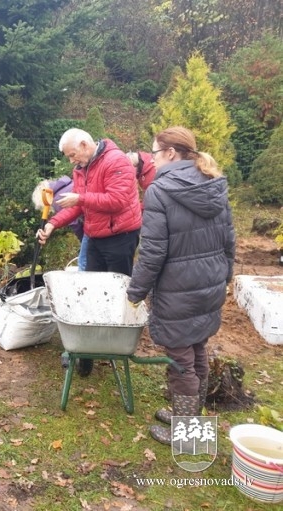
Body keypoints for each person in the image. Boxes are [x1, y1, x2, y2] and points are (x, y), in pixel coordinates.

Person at [126, 126, 235, 445]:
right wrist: (224, 277)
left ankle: (187, 435)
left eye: (154, 153)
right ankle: (189, 418)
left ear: (171, 153)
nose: (152, 160)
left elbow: (153, 251)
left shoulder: (160, 191)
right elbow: (230, 239)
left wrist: (136, 292)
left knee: (180, 361)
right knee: (197, 348)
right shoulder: (215, 182)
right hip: (210, 283)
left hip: (179, 289)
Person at [37, 128, 142, 376]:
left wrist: (80, 199)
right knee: (89, 295)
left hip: (121, 237)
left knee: (118, 294)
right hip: (94, 236)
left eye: (73, 154)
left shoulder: (117, 162)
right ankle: (86, 354)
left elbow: (116, 201)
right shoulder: (81, 169)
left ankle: (114, 347)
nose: (71, 161)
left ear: (84, 144)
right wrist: (53, 224)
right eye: (69, 157)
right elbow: (77, 205)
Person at [31, 176, 86, 270]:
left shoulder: (57, 200)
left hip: (95, 230)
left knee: (84, 262)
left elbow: (74, 223)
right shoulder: (68, 185)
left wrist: (82, 240)